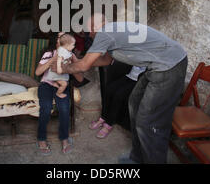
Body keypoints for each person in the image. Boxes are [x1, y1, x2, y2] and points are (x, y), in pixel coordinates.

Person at [59, 13, 188, 164]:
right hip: (156, 67)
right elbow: (106, 60)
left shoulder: (105, 33)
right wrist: (81, 61)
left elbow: (84, 66)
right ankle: (138, 158)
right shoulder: (112, 32)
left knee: (149, 121)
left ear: (93, 29)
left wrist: (64, 68)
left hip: (169, 66)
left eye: (88, 32)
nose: (89, 36)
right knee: (134, 103)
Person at [35, 32, 84, 155]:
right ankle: (41, 138)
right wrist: (53, 59)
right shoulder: (49, 53)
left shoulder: (70, 55)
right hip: (46, 84)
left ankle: (64, 138)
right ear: (56, 42)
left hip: (62, 85)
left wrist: (73, 62)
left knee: (64, 108)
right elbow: (38, 72)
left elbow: (80, 79)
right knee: (46, 107)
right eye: (59, 38)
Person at [90, 65, 146, 139]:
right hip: (129, 75)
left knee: (119, 95)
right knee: (109, 89)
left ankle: (108, 124)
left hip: (139, 80)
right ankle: (103, 118)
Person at [45, 33, 76, 98]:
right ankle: (58, 93)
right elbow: (59, 59)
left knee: (65, 82)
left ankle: (54, 83)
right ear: (67, 45)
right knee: (64, 84)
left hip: (60, 72)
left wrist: (69, 61)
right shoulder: (62, 51)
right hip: (56, 72)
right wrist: (59, 67)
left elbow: (66, 59)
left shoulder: (67, 51)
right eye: (72, 45)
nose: (74, 46)